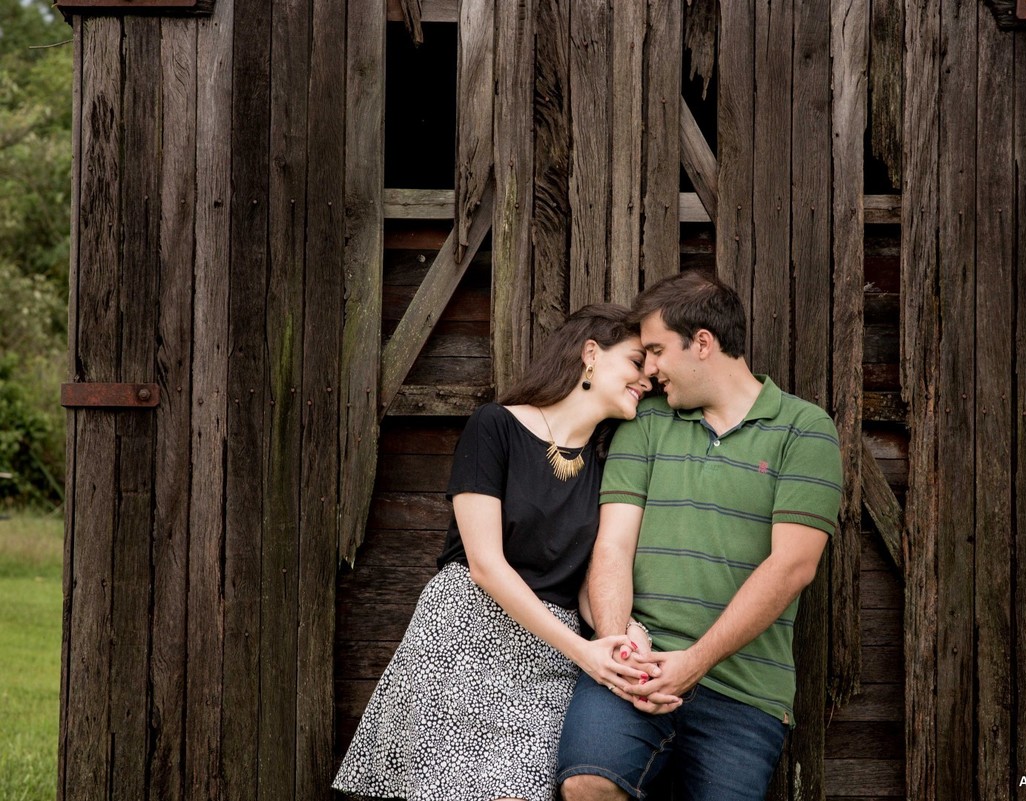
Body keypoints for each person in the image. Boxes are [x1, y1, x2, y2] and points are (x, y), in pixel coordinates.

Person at [333, 304, 663, 801]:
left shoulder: (606, 464)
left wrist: (623, 638)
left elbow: (585, 583)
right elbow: (485, 564)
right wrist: (584, 653)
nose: (648, 379)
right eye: (637, 361)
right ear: (591, 355)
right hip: (464, 634)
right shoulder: (495, 427)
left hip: (545, 657)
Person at [557, 271, 843, 801]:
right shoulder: (644, 423)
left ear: (704, 343)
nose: (650, 369)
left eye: (659, 350)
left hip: (742, 692)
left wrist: (693, 663)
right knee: (588, 785)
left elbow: (792, 567)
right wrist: (619, 648)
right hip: (635, 668)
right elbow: (613, 545)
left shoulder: (806, 431)